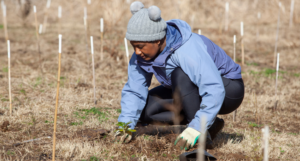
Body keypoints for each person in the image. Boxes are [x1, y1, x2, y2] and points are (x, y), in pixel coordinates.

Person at [115, 1, 244, 150]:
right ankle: (210, 123)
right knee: (144, 110)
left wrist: (198, 127)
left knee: (180, 74)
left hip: (228, 89)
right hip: (190, 89)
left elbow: (214, 88)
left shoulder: (187, 50)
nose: (136, 52)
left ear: (157, 40)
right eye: (133, 46)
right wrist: (125, 124)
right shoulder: (141, 56)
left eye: (140, 46)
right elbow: (134, 90)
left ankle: (201, 137)